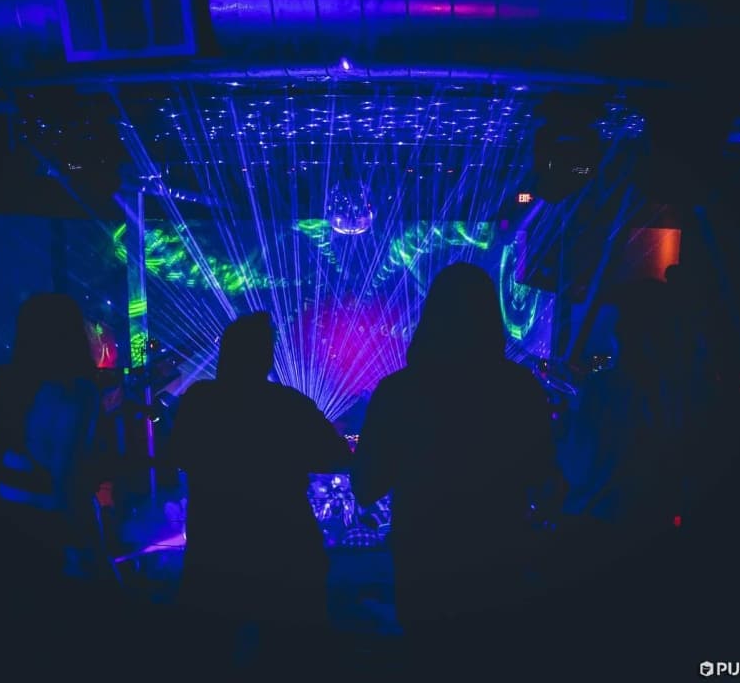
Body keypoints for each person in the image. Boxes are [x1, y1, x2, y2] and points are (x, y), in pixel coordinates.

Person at [351, 264, 561, 674]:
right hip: (498, 559)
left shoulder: (399, 391)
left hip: (424, 562)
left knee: (431, 661)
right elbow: (542, 476)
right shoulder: (519, 388)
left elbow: (367, 485)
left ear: (432, 315)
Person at [166, 311, 351, 670]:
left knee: (207, 655)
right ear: (266, 356)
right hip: (284, 550)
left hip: (215, 550)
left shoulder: (199, 400)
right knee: (290, 658)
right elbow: (337, 456)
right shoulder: (289, 404)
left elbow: (178, 454)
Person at [0, 293, 103, 590]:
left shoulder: (3, 387)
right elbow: (67, 484)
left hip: (7, 528)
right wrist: (91, 554)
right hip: (54, 536)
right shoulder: (76, 392)